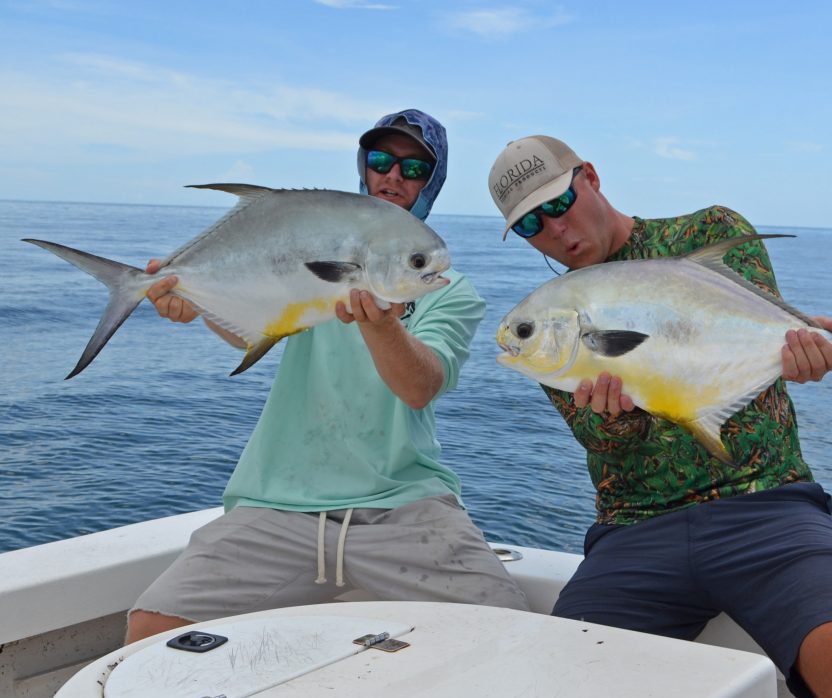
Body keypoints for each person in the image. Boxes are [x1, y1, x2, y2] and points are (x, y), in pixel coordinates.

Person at [487, 135, 832, 698]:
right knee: (561, 681)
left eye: (559, 203)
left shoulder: (708, 232)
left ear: (590, 175)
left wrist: (801, 350)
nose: (556, 231)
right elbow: (605, 442)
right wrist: (615, 420)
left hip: (768, 506)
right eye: (534, 223)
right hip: (635, 530)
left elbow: (749, 330)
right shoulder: (548, 318)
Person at [125, 109, 529, 643]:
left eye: (414, 170)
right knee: (154, 628)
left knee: (510, 632)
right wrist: (195, 301)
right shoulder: (319, 247)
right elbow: (254, 331)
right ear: (364, 166)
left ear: (433, 184)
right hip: (280, 501)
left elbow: (419, 386)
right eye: (383, 161)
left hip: (404, 505)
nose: (393, 177)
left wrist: (384, 325)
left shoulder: (447, 290)